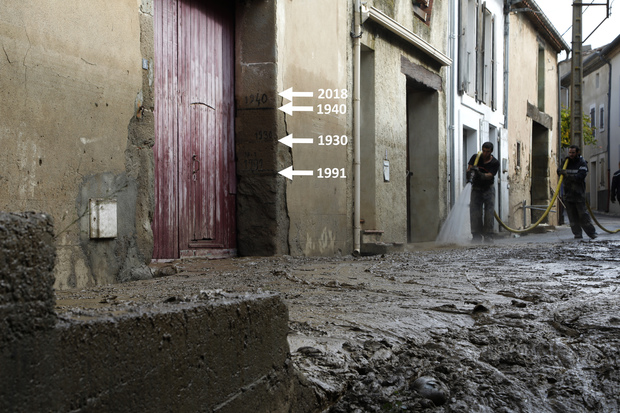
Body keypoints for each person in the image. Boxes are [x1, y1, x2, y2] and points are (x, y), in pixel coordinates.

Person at [557, 145, 597, 239]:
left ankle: (591, 233)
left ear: (577, 152)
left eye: (573, 153)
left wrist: (567, 175)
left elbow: (580, 176)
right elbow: (559, 170)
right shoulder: (566, 162)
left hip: (579, 194)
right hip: (568, 194)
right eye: (570, 152)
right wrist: (560, 171)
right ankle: (577, 233)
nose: (571, 154)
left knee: (583, 215)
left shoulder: (582, 163)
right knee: (572, 216)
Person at [467, 142, 500, 243]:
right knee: (475, 212)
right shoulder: (475, 157)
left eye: (488, 152)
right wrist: (470, 172)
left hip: (488, 189)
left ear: (491, 152)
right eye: (484, 151)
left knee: (489, 212)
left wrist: (480, 174)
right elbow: (469, 169)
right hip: (476, 188)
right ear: (482, 149)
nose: (485, 154)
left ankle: (488, 235)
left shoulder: (495, 162)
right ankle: (476, 235)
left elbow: (490, 175)